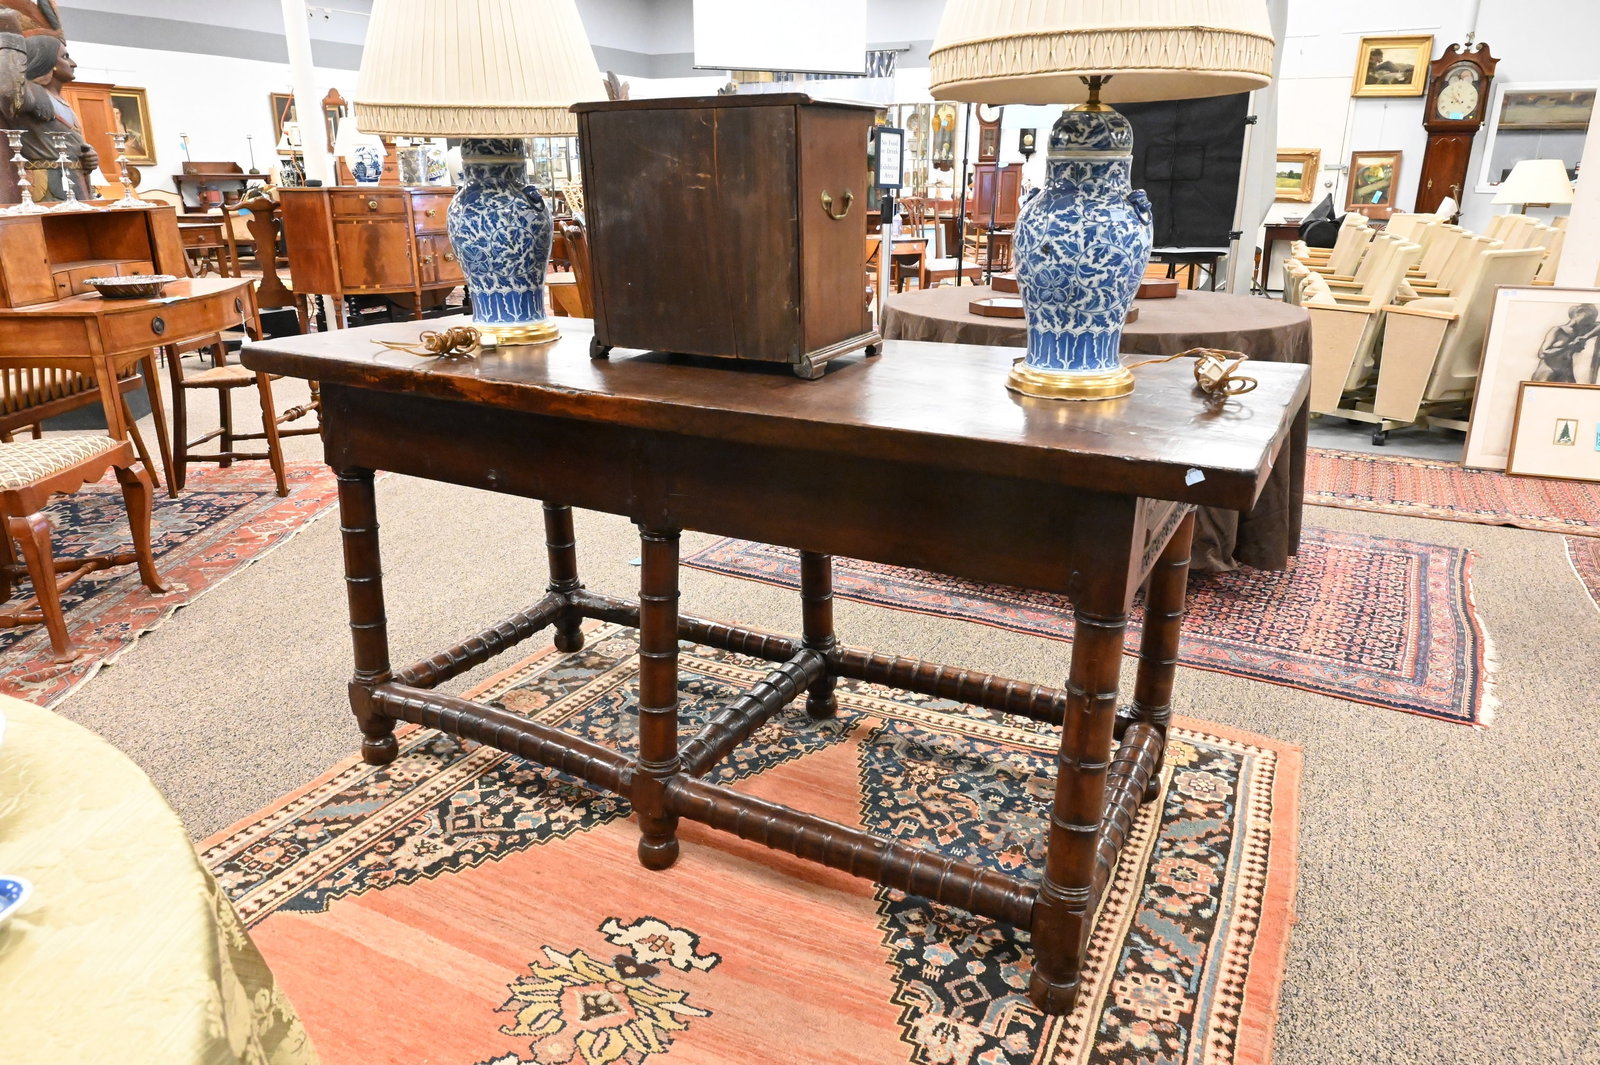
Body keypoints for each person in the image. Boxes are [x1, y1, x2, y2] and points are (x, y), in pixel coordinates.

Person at [1531, 303, 1600, 384]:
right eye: (1589, 318)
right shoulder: (1558, 330)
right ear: (1578, 313)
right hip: (1548, 371)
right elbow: (1542, 354)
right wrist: (1569, 347)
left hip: (1566, 373)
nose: (1591, 322)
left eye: (1592, 319)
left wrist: (1586, 337)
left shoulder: (1580, 332)